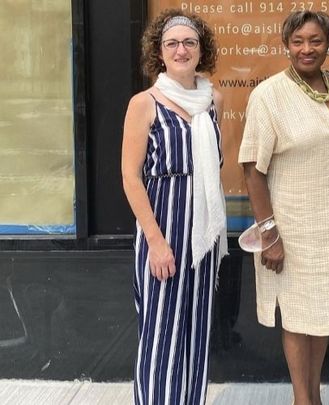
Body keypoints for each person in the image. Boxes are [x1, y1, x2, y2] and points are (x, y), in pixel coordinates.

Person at [238, 10, 329, 405]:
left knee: (322, 316)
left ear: (328, 44)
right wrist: (269, 234)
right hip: (291, 229)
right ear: (286, 44)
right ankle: (303, 399)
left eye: (315, 40)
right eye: (298, 40)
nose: (306, 48)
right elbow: (252, 168)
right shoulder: (268, 95)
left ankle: (313, 396)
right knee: (298, 319)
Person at [121, 9, 226, 405]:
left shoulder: (214, 98)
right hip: (162, 229)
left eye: (189, 42)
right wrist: (155, 241)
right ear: (159, 52)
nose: (181, 50)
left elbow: (216, 164)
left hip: (202, 233)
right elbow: (131, 177)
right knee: (160, 333)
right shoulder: (144, 103)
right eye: (172, 43)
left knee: (196, 332)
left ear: (202, 50)